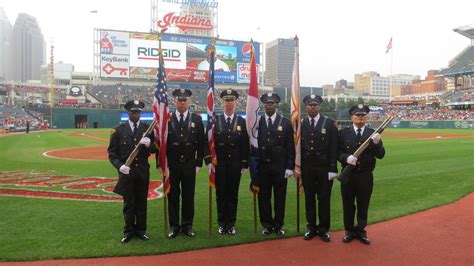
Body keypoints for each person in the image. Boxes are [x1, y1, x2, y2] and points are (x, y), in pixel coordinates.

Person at [107, 99, 156, 244]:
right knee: (129, 203)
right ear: (128, 113)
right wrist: (119, 166)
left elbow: (154, 150)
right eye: (133, 112)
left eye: (138, 112)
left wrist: (149, 144)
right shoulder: (118, 130)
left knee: (142, 202)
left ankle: (141, 230)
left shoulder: (147, 130)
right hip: (126, 172)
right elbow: (112, 154)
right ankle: (128, 231)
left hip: (142, 171)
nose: (135, 114)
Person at [337, 104, 385, 245]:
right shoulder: (343, 133)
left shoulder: (372, 133)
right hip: (349, 176)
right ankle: (349, 231)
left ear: (366, 117)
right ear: (352, 117)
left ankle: (361, 231)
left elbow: (381, 155)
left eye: (363, 115)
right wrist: (346, 158)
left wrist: (377, 144)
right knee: (348, 205)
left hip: (365, 176)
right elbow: (337, 152)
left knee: (363, 204)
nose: (360, 117)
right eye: (357, 115)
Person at [167, 88, 210, 239]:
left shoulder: (196, 119)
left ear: (189, 102)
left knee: (188, 196)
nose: (182, 103)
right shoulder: (167, 118)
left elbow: (201, 143)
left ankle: (187, 225)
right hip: (172, 165)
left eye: (185, 100)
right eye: (179, 100)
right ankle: (173, 226)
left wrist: (199, 163)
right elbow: (163, 142)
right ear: (174, 101)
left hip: (189, 165)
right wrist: (162, 164)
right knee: (172, 196)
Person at [256, 92, 295, 236]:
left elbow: (290, 146)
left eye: (272, 103)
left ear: (277, 105)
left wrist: (290, 167)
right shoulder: (257, 122)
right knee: (263, 198)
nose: (269, 105)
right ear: (263, 105)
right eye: (267, 103)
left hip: (280, 168)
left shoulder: (285, 122)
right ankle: (267, 225)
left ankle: (278, 225)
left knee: (280, 198)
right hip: (263, 167)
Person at [301, 94, 338, 242]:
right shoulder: (301, 123)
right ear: (306, 107)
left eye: (315, 105)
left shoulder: (329, 123)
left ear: (319, 106)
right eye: (310, 105)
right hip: (307, 168)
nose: (312, 107)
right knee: (309, 198)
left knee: (324, 199)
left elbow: (334, 147)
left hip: (324, 168)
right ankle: (311, 227)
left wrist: (333, 168)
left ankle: (323, 229)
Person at [213, 89, 249, 235]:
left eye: (231, 100)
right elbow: (210, 142)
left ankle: (231, 224)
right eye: (226, 100)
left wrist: (245, 162)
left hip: (235, 164)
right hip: (220, 164)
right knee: (221, 194)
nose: (229, 103)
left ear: (236, 102)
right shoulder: (215, 120)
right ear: (222, 102)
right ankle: (222, 223)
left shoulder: (241, 121)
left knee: (233, 195)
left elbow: (245, 143)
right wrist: (210, 161)